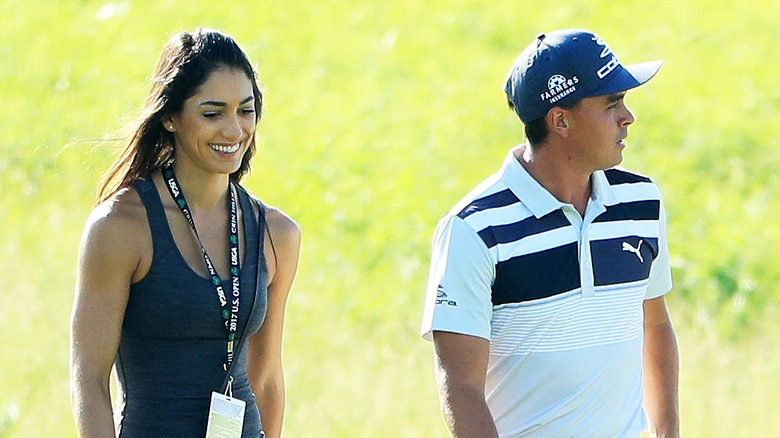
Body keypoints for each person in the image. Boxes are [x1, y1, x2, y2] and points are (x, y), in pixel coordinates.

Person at [421, 29, 679, 438]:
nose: (628, 117)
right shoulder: (474, 229)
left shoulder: (642, 201)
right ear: (560, 120)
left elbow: (655, 326)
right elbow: (460, 385)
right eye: (612, 104)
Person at [70, 29, 301, 438]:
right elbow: (89, 378)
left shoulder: (277, 234)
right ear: (170, 116)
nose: (233, 131)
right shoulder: (121, 228)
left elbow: (265, 379)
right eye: (213, 114)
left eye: (245, 111)